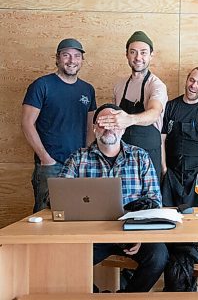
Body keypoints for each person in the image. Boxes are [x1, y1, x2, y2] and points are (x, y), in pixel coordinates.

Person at [59, 103, 168, 293]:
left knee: (158, 256)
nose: (109, 128)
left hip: (131, 234)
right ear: (94, 129)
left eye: (114, 123)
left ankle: (127, 297)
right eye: (103, 123)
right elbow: (59, 197)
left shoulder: (140, 157)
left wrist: (142, 234)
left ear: (124, 128)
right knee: (62, 260)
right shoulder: (78, 158)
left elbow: (154, 201)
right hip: (90, 236)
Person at [21, 38, 97, 213]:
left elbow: (90, 126)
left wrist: (86, 156)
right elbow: (27, 123)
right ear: (57, 58)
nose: (72, 60)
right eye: (66, 55)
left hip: (79, 165)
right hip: (51, 165)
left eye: (77, 56)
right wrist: (45, 158)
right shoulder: (42, 85)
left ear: (82, 61)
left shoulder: (87, 89)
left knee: (78, 213)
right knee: (46, 215)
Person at [97, 31, 168, 182]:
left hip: (149, 153)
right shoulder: (119, 86)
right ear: (127, 55)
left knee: (148, 202)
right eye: (133, 52)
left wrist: (129, 119)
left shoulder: (156, 85)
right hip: (121, 154)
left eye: (143, 53)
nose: (138, 58)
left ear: (151, 55)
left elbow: (154, 112)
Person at [161, 65, 198, 207]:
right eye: (191, 80)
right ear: (187, 80)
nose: (193, 86)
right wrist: (164, 169)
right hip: (172, 173)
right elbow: (161, 140)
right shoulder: (170, 106)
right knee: (170, 218)